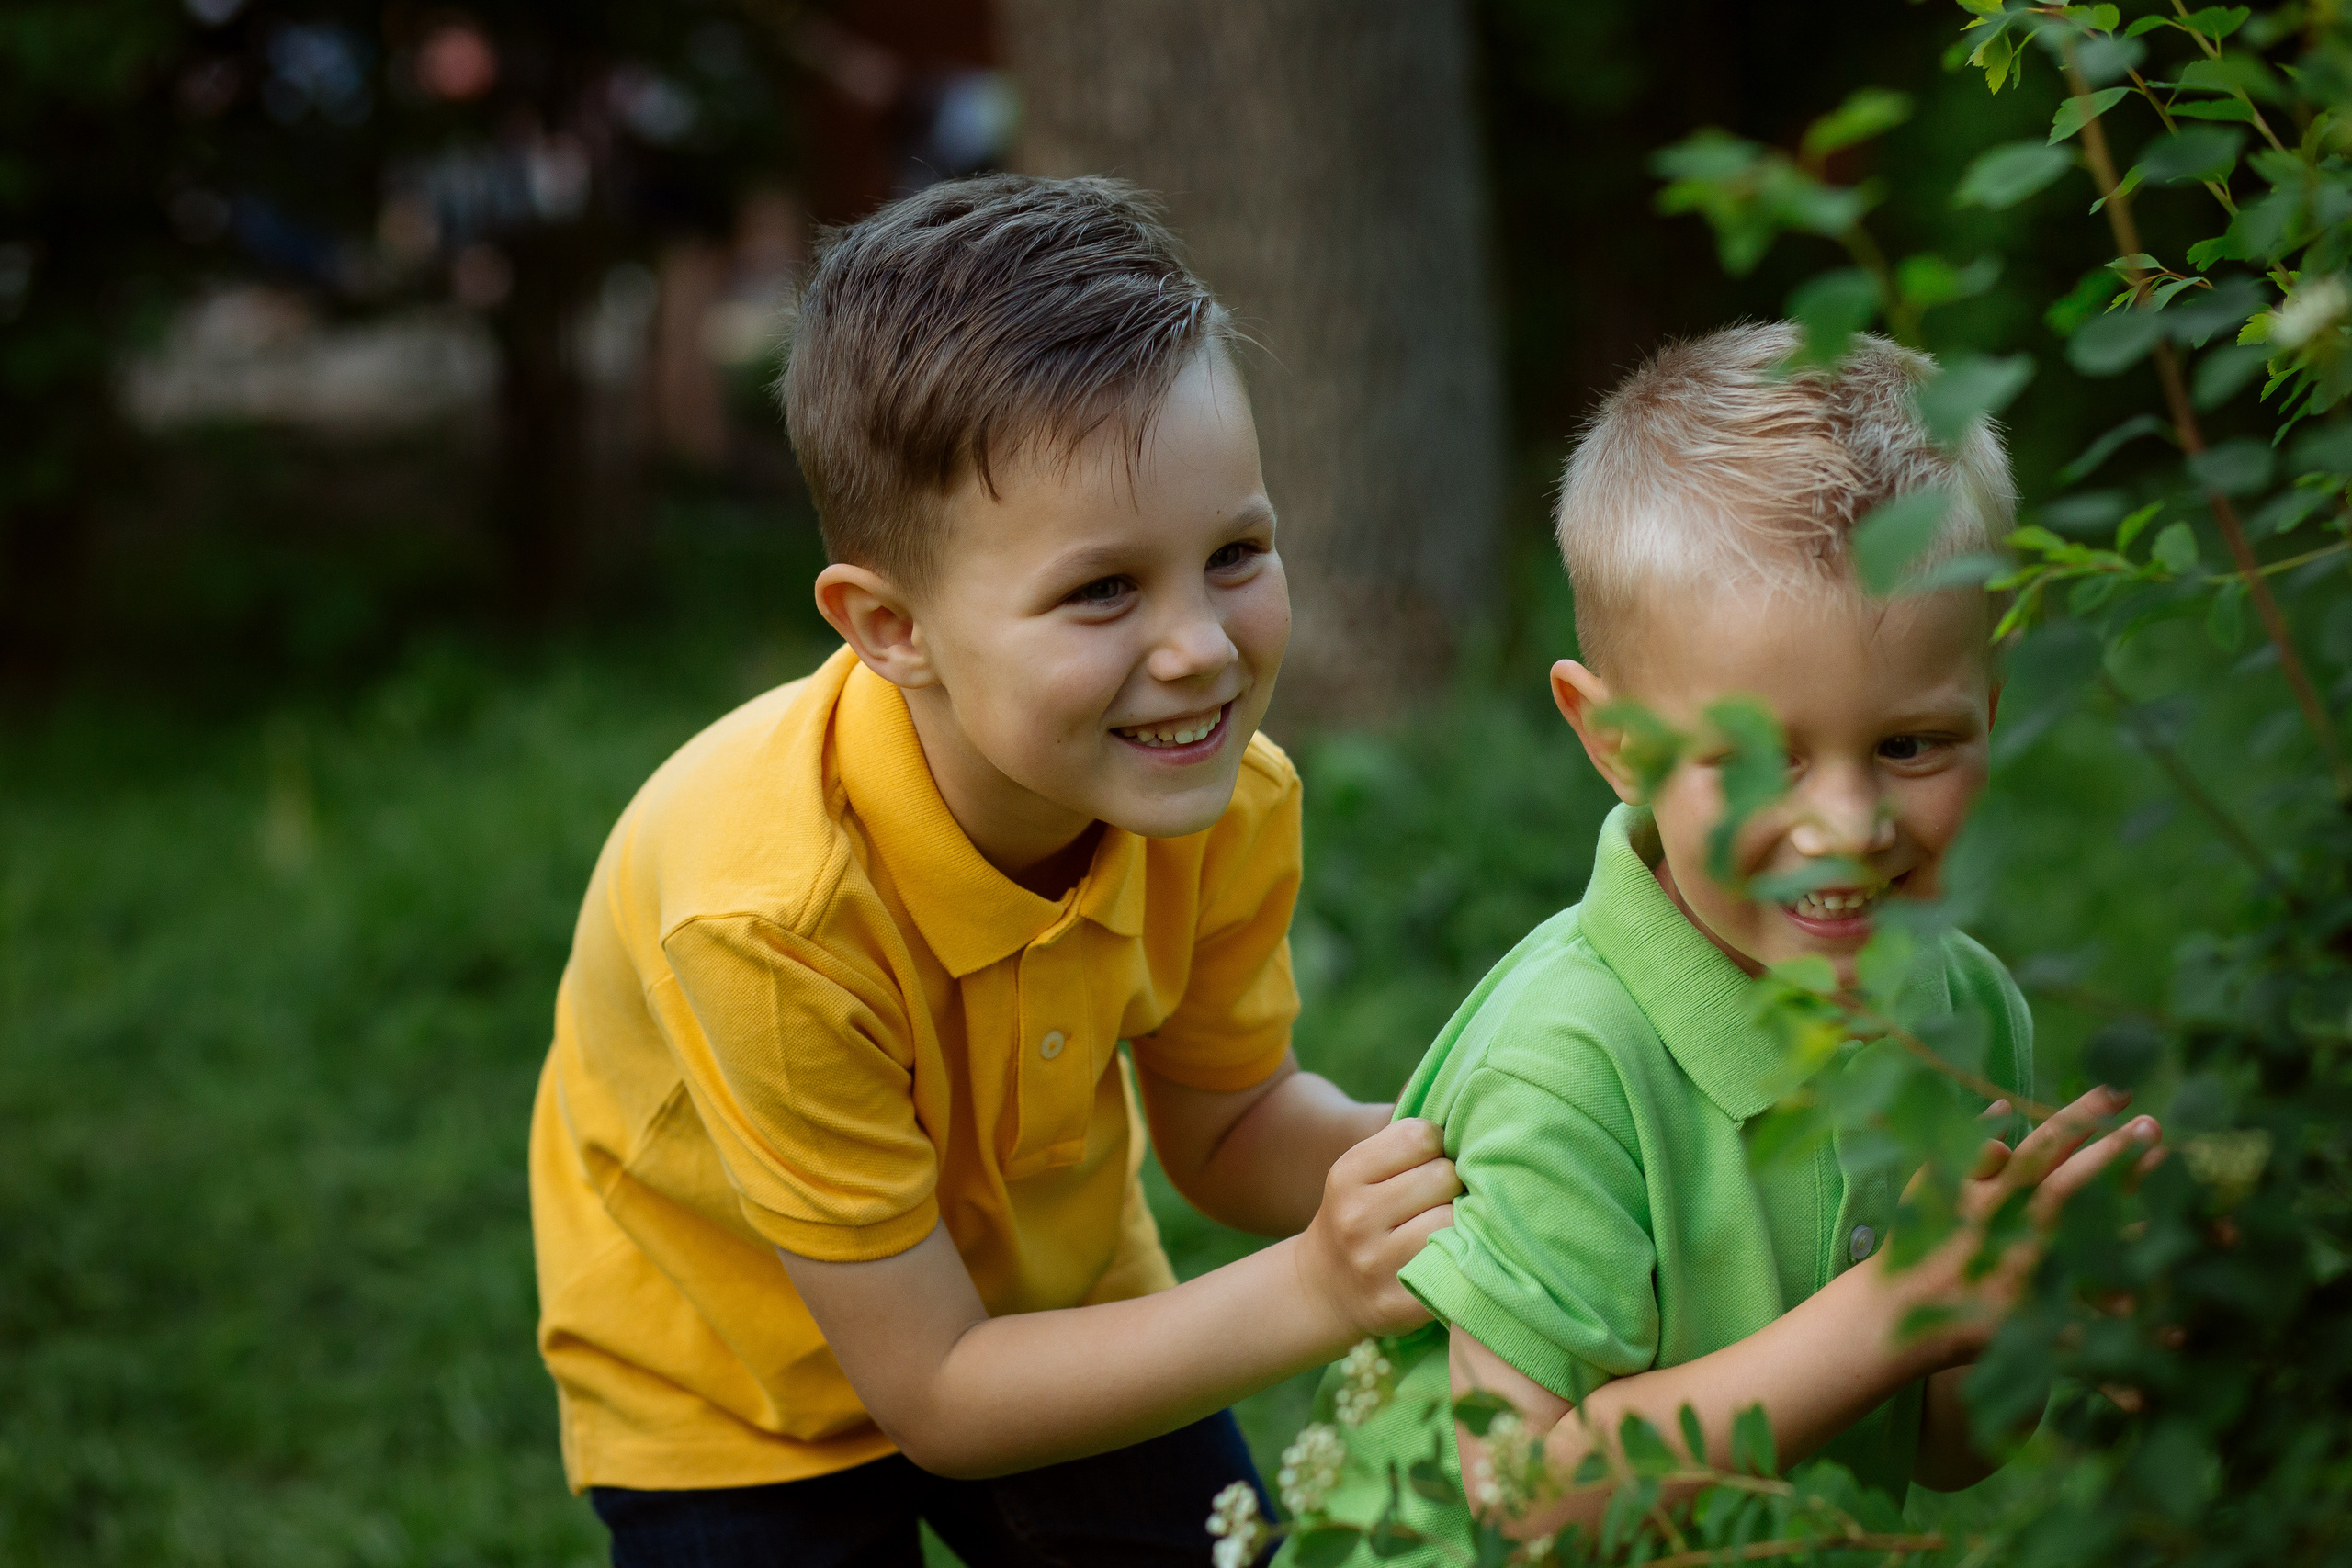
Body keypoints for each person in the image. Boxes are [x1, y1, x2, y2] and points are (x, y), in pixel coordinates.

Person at [527, 174, 1459, 1567]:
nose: (1199, 646)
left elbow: (1229, 1126)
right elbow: (944, 1397)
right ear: (890, 627)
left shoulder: (1220, 800)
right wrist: (1324, 1283)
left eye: (1235, 553)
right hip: (735, 1388)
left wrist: (1481, 1163)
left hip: (1057, 1298)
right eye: (1103, 590)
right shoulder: (766, 913)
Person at [1323, 322, 2164, 1546]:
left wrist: (2012, 1307)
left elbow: (1951, 1452)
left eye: (1910, 744)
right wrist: (1895, 1311)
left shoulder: (1962, 1010)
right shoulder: (1571, 1059)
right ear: (1614, 743)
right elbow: (1528, 1501)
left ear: (1991, 701)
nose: (1847, 824)